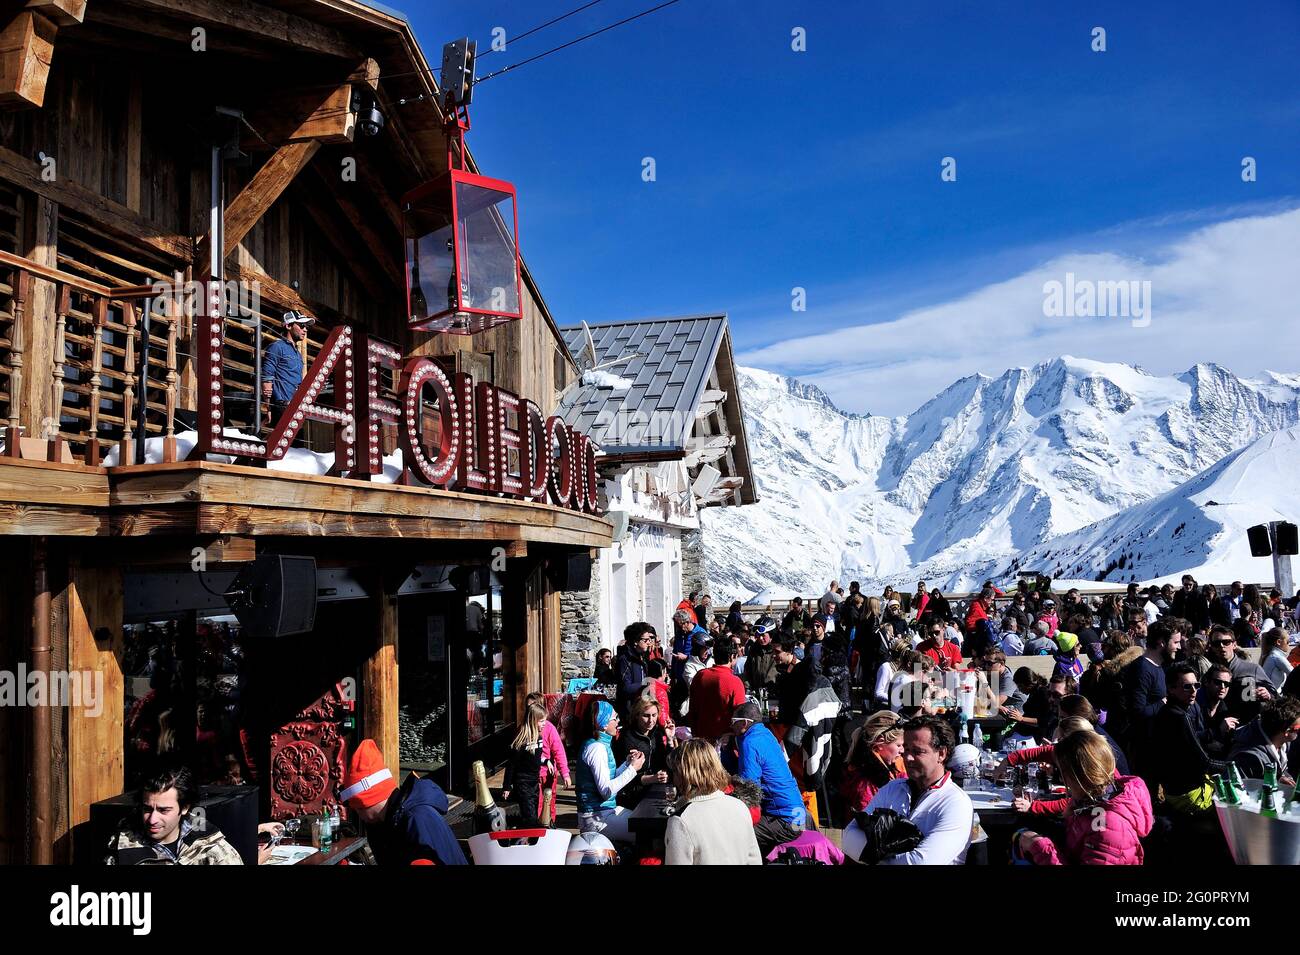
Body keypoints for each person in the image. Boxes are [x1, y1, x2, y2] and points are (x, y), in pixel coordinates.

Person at [1014, 731, 1152, 865]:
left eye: (1061, 771)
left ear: (1077, 777)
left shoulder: (1107, 826)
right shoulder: (1091, 798)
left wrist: (1038, 846)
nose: (1061, 778)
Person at [851, 715, 973, 865]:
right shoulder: (893, 788)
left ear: (941, 754)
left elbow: (922, 863)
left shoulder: (956, 803)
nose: (907, 758)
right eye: (906, 749)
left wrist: (875, 854)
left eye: (917, 751)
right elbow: (850, 837)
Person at [341, 739, 466, 865]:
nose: (357, 813)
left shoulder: (416, 819)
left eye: (355, 807)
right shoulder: (386, 822)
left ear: (366, 802)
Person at [105, 765, 242, 865]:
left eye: (163, 810)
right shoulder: (121, 852)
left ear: (184, 808)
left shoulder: (211, 850)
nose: (153, 819)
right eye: (147, 809)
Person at [1149, 664, 1232, 815]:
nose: (1194, 691)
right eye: (1187, 686)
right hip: (1190, 795)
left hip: (1174, 791)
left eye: (1196, 685)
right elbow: (1204, 762)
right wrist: (1232, 766)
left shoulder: (1168, 712)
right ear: (1171, 689)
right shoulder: (1180, 717)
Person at [664, 739, 762, 865]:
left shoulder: (681, 821)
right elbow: (754, 860)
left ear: (683, 774)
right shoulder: (740, 806)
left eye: (674, 772)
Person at [732, 701, 806, 855]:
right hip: (798, 814)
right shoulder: (766, 734)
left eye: (734, 722)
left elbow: (749, 789)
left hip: (787, 822)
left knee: (736, 834)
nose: (731, 726)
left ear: (745, 723)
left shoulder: (750, 743)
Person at [575, 701, 644, 842]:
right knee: (647, 830)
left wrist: (627, 764)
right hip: (596, 818)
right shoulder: (597, 749)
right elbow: (606, 791)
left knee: (642, 818)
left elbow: (609, 780)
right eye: (615, 717)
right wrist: (632, 769)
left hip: (602, 812)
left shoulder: (598, 744)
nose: (618, 721)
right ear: (604, 724)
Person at [613, 693, 673, 806]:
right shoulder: (628, 737)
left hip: (655, 789)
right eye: (646, 715)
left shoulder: (656, 733)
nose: (651, 720)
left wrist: (670, 740)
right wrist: (652, 778)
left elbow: (667, 763)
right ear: (636, 715)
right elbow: (624, 777)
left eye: (654, 715)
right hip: (632, 795)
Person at [840, 710, 906, 813]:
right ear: (880, 743)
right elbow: (868, 821)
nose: (902, 750)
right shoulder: (867, 782)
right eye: (899, 745)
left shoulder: (891, 767)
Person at [1205, 624, 1274, 723]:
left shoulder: (1252, 669)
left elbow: (1276, 697)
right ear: (1211, 647)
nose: (1221, 646)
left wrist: (1268, 695)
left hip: (1248, 727)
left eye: (1226, 642)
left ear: (1234, 645)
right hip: (1219, 726)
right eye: (1217, 643)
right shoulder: (1208, 672)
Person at [261, 309, 313, 429]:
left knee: (296, 447)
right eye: (301, 325)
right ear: (288, 325)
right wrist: (268, 408)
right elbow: (267, 376)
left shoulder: (297, 354)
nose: (305, 329)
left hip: (295, 406)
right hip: (281, 405)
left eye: (306, 326)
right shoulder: (277, 347)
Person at [1229, 696, 1300, 783]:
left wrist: (1279, 778)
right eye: (1298, 728)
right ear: (1287, 731)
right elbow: (1238, 790)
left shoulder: (1283, 744)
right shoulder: (1249, 758)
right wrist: (1275, 783)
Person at [524, 691, 570, 824]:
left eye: (533, 706)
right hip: (532, 773)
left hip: (547, 773)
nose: (530, 710)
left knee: (550, 799)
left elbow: (558, 751)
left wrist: (565, 773)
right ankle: (539, 825)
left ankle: (550, 822)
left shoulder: (549, 729)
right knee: (536, 802)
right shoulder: (524, 728)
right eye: (528, 707)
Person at [688, 638, 747, 741]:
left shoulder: (700, 675)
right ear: (732, 656)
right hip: (725, 741)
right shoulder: (735, 682)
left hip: (701, 739)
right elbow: (739, 718)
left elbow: (693, 709)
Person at [501, 703, 548, 827]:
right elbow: (511, 764)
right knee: (530, 816)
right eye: (541, 721)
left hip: (534, 781)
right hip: (522, 782)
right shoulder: (521, 741)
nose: (544, 724)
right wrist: (506, 786)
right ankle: (531, 838)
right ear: (533, 721)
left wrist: (546, 761)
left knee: (533, 811)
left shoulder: (539, 738)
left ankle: (527, 837)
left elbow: (535, 759)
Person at [1196, 664, 1239, 758]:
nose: (1223, 687)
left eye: (1226, 684)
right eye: (1217, 682)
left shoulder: (1224, 708)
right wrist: (1218, 730)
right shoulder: (1194, 704)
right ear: (1206, 682)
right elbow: (1190, 737)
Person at [616, 623, 655, 715]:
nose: (649, 642)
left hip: (641, 704)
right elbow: (625, 687)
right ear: (635, 641)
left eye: (649, 639)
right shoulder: (625, 659)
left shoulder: (642, 656)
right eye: (645, 640)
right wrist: (646, 683)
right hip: (629, 708)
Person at [670, 609, 708, 683]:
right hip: (680, 677)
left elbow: (706, 656)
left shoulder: (700, 633)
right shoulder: (679, 634)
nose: (678, 628)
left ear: (687, 622)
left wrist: (687, 657)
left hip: (694, 676)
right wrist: (673, 675)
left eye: (679, 625)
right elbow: (675, 652)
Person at [743, 620, 781, 695]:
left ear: (771, 635)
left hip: (774, 695)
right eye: (758, 635)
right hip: (756, 693)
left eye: (763, 635)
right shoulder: (754, 649)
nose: (760, 638)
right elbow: (747, 670)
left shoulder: (779, 650)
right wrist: (748, 688)